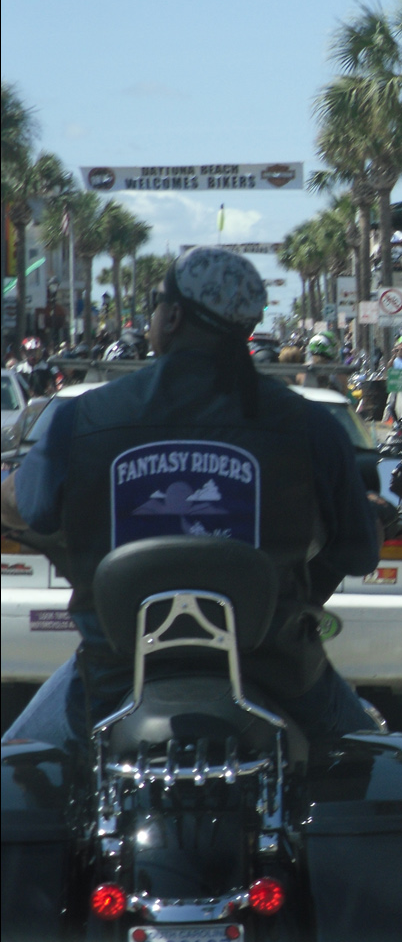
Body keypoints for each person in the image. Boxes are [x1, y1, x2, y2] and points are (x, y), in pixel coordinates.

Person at [1, 247, 382, 747]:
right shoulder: (310, 426)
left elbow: (26, 508)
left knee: (20, 767)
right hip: (278, 675)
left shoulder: (81, 418)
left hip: (114, 677)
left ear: (174, 316)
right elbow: (357, 553)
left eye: (159, 304)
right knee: (366, 767)